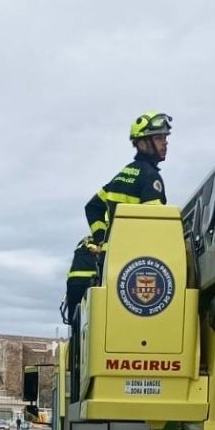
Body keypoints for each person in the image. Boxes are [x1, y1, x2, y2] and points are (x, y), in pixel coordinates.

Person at [64, 111, 172, 323]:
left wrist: (101, 238)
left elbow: (92, 206)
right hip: (132, 264)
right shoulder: (150, 178)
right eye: (159, 138)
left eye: (165, 138)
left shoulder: (124, 174)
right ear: (142, 143)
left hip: (111, 261)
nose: (165, 143)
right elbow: (155, 228)